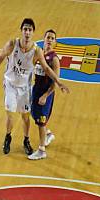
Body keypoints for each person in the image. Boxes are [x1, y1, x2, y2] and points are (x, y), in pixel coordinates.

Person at [0, 18, 68, 155]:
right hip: (10, 85)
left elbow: (47, 69)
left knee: (25, 116)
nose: (27, 32)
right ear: (21, 31)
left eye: (30, 30)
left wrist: (59, 82)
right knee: (10, 113)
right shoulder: (13, 44)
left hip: (25, 87)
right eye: (25, 29)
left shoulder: (36, 51)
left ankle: (26, 140)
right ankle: (8, 138)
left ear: (33, 33)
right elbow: (1, 56)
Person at [28, 29, 60, 160]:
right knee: (33, 114)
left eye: (52, 38)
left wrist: (46, 95)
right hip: (36, 90)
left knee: (40, 121)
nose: (49, 40)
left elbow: (56, 81)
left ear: (55, 42)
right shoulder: (38, 53)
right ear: (44, 39)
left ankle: (41, 150)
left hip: (45, 93)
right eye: (48, 37)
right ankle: (48, 134)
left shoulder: (54, 59)